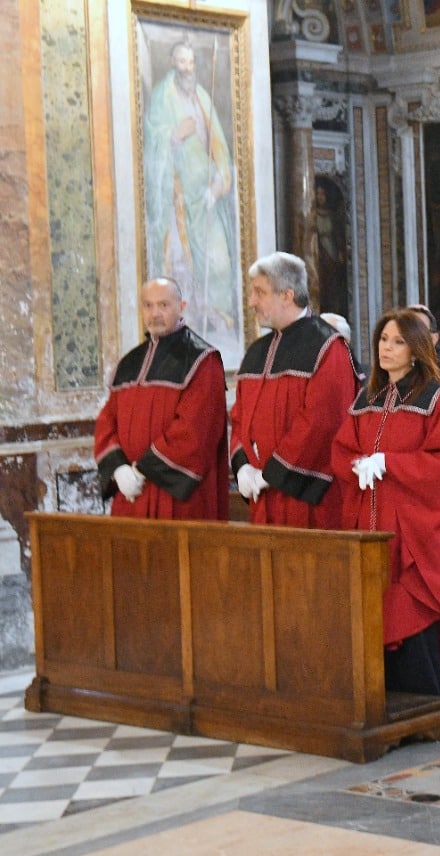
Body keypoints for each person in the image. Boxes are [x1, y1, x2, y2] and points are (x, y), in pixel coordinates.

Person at [332, 308, 440, 695]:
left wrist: (390, 462)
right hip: (371, 522)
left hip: (413, 529)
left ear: (416, 349)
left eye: (397, 342)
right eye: (383, 340)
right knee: (375, 607)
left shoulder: (435, 397)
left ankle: (421, 701)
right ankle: (385, 696)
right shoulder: (368, 396)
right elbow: (342, 447)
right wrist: (356, 464)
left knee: (410, 606)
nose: (387, 349)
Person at [231, 252, 358, 528]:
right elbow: (239, 417)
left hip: (308, 501)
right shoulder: (256, 352)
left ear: (287, 296)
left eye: (259, 293)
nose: (251, 301)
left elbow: (321, 423)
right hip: (261, 498)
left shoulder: (328, 347)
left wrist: (270, 474)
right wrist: (243, 468)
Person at [94, 278, 227, 520]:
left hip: (175, 496)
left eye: (164, 305)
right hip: (130, 494)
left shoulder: (202, 361)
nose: (155, 313)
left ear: (182, 306)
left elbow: (195, 431)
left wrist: (143, 471)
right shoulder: (129, 362)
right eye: (148, 305)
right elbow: (107, 421)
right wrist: (119, 469)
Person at [143, 40, 239, 358]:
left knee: (219, 261)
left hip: (204, 196)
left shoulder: (202, 96)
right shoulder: (162, 96)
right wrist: (173, 135)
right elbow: (152, 138)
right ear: (173, 63)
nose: (186, 68)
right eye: (181, 62)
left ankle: (214, 313)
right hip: (177, 196)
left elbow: (220, 147)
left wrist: (218, 184)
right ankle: (190, 319)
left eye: (191, 62)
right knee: (180, 261)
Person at [406, 303, 440, 387]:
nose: (412, 336)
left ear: (434, 339)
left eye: (419, 330)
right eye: (405, 330)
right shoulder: (384, 375)